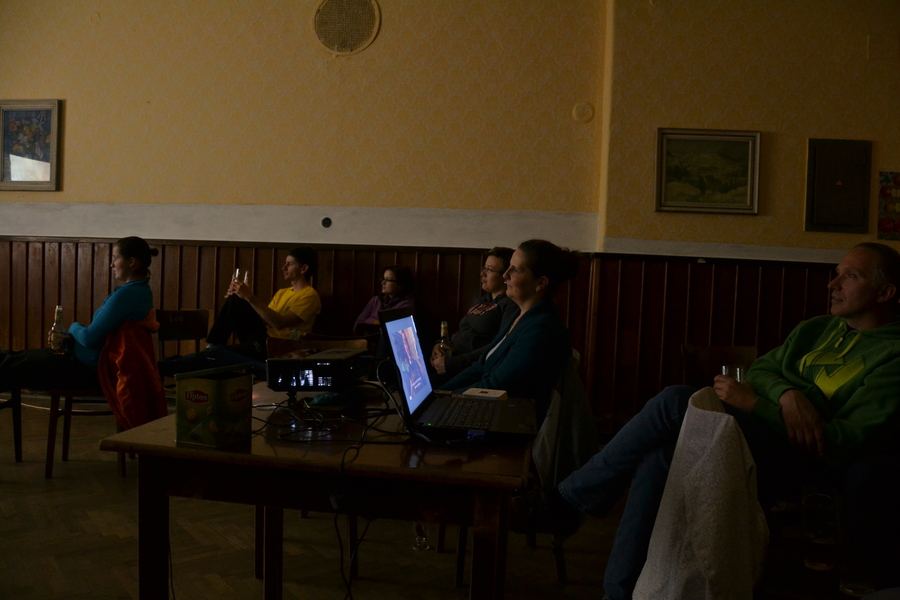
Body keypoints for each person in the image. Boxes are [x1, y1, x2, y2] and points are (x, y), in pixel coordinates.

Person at [536, 243, 900, 599]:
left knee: (676, 400)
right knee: (660, 455)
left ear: (885, 292)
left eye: (850, 276)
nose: (832, 284)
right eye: (836, 274)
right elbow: (762, 370)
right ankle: (618, 592)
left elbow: (843, 440)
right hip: (765, 435)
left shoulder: (893, 353)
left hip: (808, 462)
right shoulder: (817, 329)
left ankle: (571, 499)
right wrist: (789, 397)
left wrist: (756, 405)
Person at [439, 239, 580, 424]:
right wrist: (441, 393)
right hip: (492, 407)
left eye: (515, 270)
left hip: (510, 418)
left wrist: (446, 399)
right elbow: (481, 365)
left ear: (540, 283)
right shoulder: (521, 315)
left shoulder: (542, 330)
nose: (505, 275)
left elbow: (496, 387)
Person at [0, 236, 158, 393]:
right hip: (88, 362)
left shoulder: (127, 295)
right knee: (12, 360)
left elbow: (89, 338)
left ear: (131, 262)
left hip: (88, 369)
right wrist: (71, 339)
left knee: (10, 364)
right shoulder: (142, 292)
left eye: (115, 258)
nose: (112, 264)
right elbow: (103, 336)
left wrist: (73, 326)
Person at [159, 246, 321, 376]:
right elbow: (265, 321)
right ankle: (211, 345)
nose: (283, 267)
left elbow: (279, 323)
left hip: (278, 348)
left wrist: (250, 297)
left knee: (216, 354)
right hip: (263, 339)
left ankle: (166, 365)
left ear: (304, 268)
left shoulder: (309, 295)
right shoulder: (282, 292)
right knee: (236, 299)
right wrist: (242, 299)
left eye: (290, 264)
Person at [430, 247, 517, 383]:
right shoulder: (482, 300)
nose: (482, 274)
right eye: (484, 268)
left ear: (505, 275)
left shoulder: (510, 304)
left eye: (489, 270)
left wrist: (453, 363)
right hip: (452, 360)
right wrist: (440, 346)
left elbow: (499, 345)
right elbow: (464, 333)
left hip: (470, 369)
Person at [354, 265, 415, 332]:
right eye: (383, 279)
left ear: (400, 284)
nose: (383, 283)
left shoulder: (405, 305)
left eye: (388, 280)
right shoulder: (375, 300)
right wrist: (376, 322)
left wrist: (369, 321)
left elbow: (391, 330)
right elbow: (358, 324)